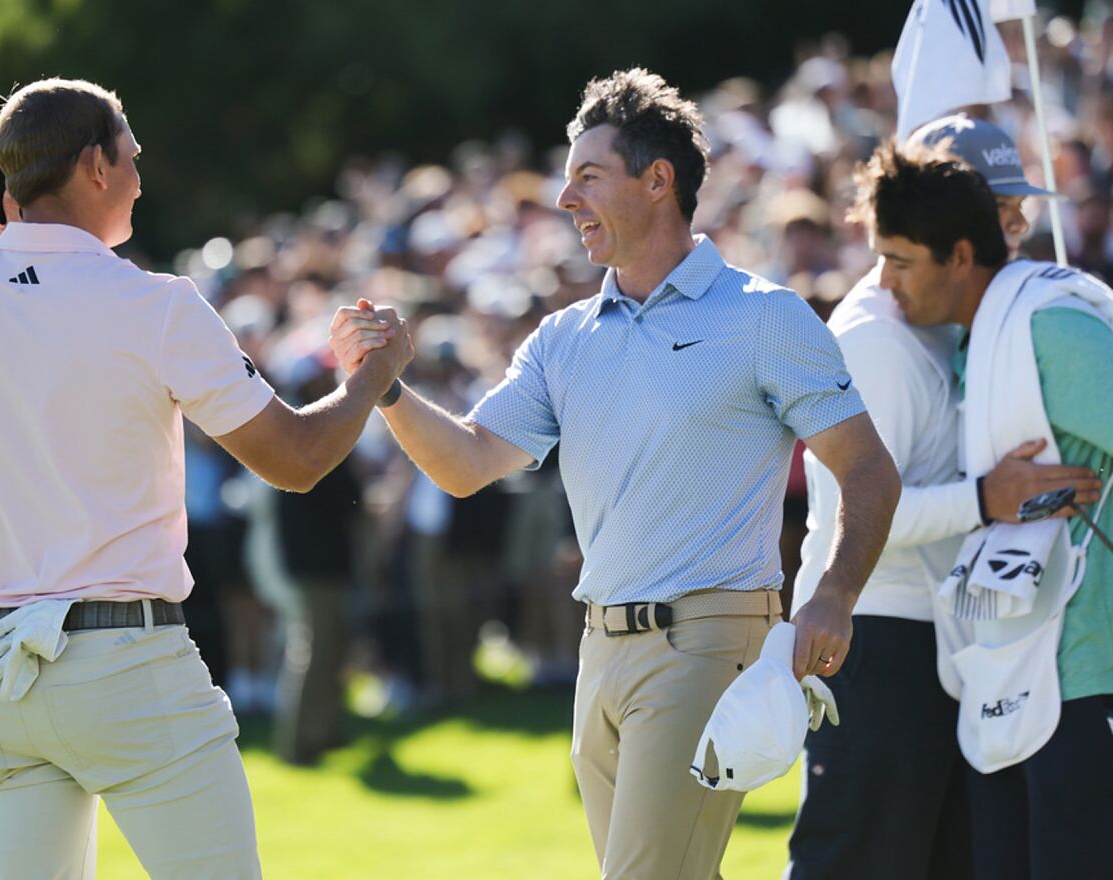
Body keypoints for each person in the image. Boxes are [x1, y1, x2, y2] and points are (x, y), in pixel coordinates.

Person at [330, 68, 901, 880]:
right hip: (600, 651)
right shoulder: (563, 337)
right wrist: (389, 388)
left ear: (658, 181)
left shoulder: (764, 317)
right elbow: (465, 463)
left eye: (589, 177)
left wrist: (836, 594)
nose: (566, 199)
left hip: (709, 643)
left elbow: (869, 469)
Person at [0, 78, 413, 880]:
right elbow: (298, 458)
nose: (140, 177)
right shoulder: (156, 304)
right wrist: (373, 377)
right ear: (95, 166)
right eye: (131, 156)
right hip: (123, 664)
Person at [786, 116, 1104, 880]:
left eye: (900, 260)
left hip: (1044, 656)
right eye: (1003, 203)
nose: (1017, 221)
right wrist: (987, 498)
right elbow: (864, 507)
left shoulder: (1028, 326)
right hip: (951, 650)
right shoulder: (902, 332)